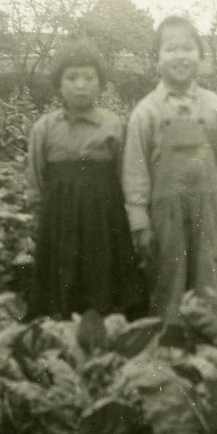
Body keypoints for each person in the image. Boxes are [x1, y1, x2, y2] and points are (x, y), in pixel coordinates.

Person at [122, 15, 217, 322]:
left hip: (210, 205)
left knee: (210, 271)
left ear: (200, 56)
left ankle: (211, 338)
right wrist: (140, 221)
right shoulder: (146, 111)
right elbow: (135, 171)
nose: (180, 56)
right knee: (169, 276)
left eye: (188, 48)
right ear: (156, 58)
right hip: (166, 211)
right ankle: (169, 339)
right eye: (170, 49)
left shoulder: (212, 104)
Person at [26, 42, 147, 319]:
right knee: (63, 268)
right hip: (59, 214)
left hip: (104, 214)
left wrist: (130, 215)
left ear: (100, 84)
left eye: (89, 78)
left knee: (102, 267)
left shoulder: (113, 125)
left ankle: (104, 319)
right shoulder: (44, 127)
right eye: (72, 78)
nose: (81, 85)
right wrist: (39, 213)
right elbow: (36, 175)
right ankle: (62, 320)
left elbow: (126, 173)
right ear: (59, 84)